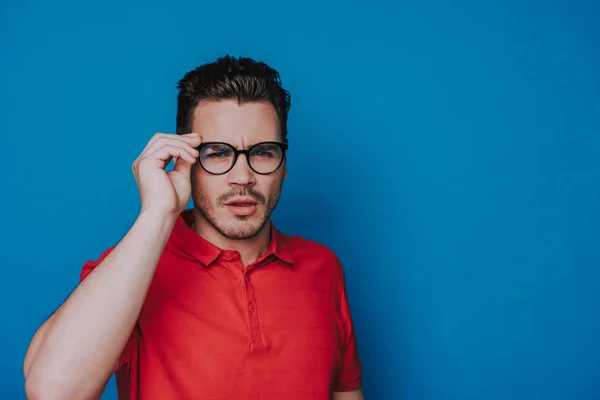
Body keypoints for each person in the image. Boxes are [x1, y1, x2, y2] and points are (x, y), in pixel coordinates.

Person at [23, 55, 363, 400]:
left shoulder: (323, 268)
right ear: (186, 160)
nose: (243, 177)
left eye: (262, 152)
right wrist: (158, 213)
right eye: (216, 153)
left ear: (284, 164)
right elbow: (53, 391)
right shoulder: (132, 269)